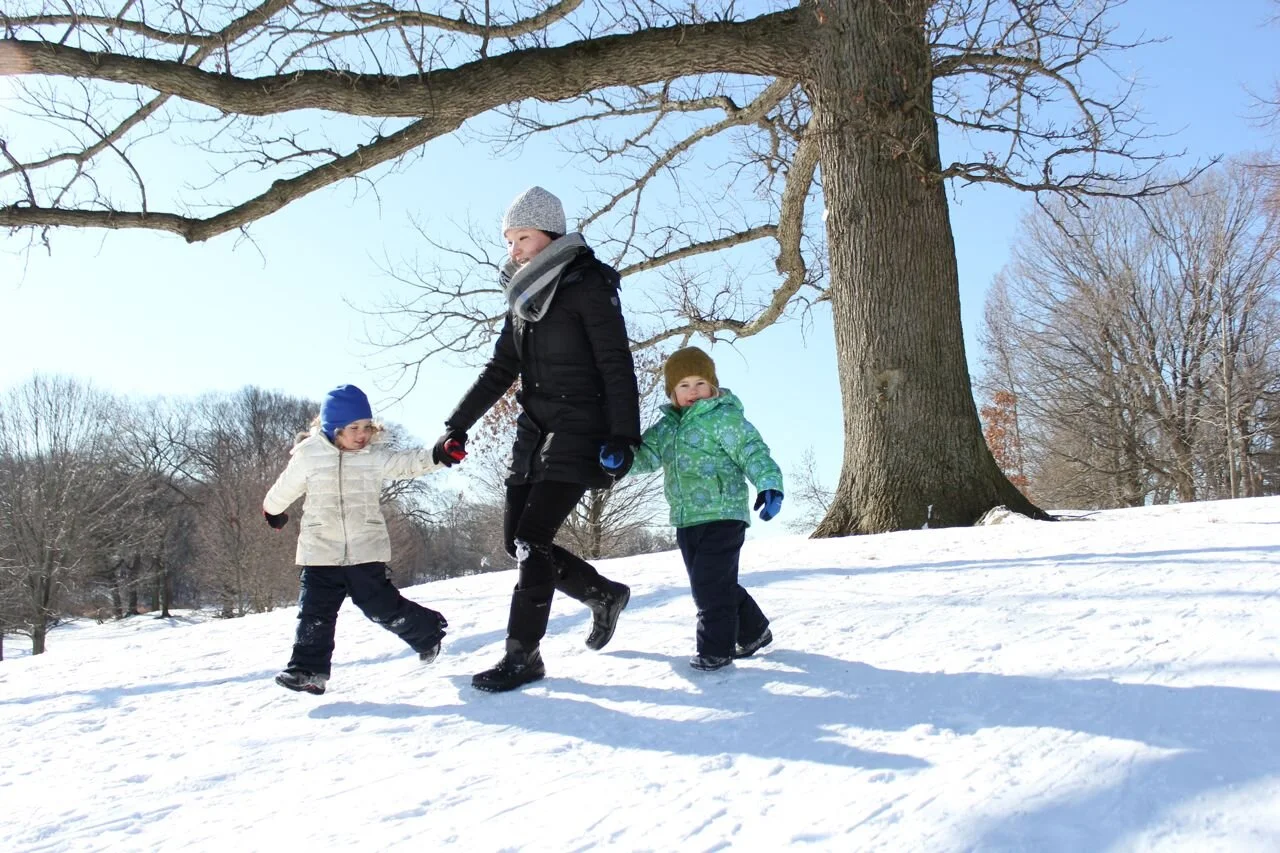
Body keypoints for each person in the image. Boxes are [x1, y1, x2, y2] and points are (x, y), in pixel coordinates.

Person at [434, 186, 641, 693]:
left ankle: (522, 656)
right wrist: (456, 426)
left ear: (549, 233)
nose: (514, 250)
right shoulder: (524, 296)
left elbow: (616, 363)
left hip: (581, 426)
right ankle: (602, 593)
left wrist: (623, 436)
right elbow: (501, 367)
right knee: (518, 541)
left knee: (532, 539)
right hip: (534, 429)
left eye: (521, 237)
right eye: (509, 241)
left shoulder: (588, 284)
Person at [263, 384, 458, 695]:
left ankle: (426, 632)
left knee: (380, 608)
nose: (362, 434)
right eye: (353, 428)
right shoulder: (308, 456)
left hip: (364, 550)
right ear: (333, 428)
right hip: (319, 552)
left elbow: (406, 464)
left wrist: (439, 454)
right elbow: (285, 487)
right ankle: (308, 671)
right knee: (314, 613)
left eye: (367, 427)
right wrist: (273, 510)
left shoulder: (373, 456)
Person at [604, 346, 782, 671]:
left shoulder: (724, 418)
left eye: (700, 383)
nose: (693, 392)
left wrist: (769, 483)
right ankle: (755, 631)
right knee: (715, 582)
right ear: (672, 393)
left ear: (713, 386)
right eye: (684, 386)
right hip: (686, 520)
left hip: (724, 514)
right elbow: (645, 457)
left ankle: (716, 650)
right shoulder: (666, 428)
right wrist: (620, 460)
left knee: (708, 586)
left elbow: (754, 452)